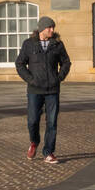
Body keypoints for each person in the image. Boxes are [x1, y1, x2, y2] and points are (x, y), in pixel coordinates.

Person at [15, 15, 71, 164]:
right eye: (49, 27)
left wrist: (58, 78)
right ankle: (34, 142)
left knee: (52, 122)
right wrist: (30, 79)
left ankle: (48, 152)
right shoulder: (29, 44)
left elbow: (66, 62)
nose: (52, 30)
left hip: (53, 90)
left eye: (53, 27)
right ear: (41, 29)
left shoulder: (57, 44)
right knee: (32, 121)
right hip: (34, 90)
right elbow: (20, 64)